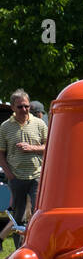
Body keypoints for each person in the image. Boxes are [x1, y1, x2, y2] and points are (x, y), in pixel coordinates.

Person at [0, 89, 49, 226]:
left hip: (37, 176)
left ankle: (37, 243)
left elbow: (49, 146)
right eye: (20, 106)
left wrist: (32, 148)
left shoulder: (39, 124)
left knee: (38, 211)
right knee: (18, 215)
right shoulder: (5, 127)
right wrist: (9, 175)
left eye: (27, 106)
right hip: (16, 177)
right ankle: (19, 245)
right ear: (13, 107)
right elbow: (1, 153)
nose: (24, 109)